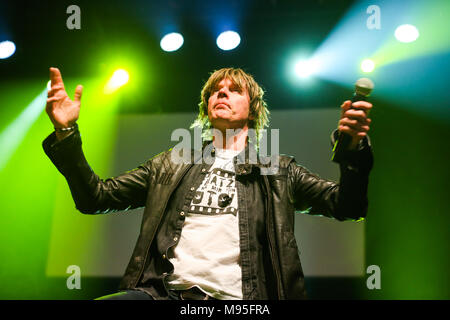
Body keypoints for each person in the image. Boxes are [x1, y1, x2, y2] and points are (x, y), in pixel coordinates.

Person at [43, 67, 373, 300]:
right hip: (162, 295)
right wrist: (66, 133)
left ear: (253, 109)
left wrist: (353, 148)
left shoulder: (278, 170)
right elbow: (95, 197)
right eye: (215, 91)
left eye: (233, 90)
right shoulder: (171, 164)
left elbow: (348, 205)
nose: (222, 94)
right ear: (206, 108)